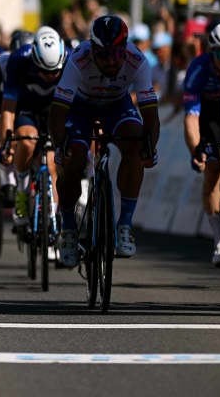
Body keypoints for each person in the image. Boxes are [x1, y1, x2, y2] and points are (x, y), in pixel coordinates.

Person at [50, 15, 160, 268]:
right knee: (73, 158)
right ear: (93, 50)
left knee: (135, 143)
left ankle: (124, 225)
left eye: (116, 54)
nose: (111, 61)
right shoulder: (77, 59)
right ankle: (67, 229)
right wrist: (60, 146)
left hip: (116, 106)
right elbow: (57, 111)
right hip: (80, 108)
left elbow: (151, 114)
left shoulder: (137, 60)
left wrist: (149, 147)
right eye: (103, 55)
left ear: (125, 49)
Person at [183, 22, 220, 267]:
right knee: (213, 170)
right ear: (210, 52)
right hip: (211, 119)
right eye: (219, 53)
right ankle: (219, 241)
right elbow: (191, 117)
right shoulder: (198, 68)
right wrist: (195, 148)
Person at [0, 26, 68, 230]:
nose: (51, 76)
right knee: (27, 142)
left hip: (55, 109)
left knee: (53, 164)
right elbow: (8, 107)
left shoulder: (70, 58)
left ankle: (52, 220)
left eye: (55, 70)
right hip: (26, 109)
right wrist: (6, 143)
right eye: (45, 71)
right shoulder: (19, 60)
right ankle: (21, 189)